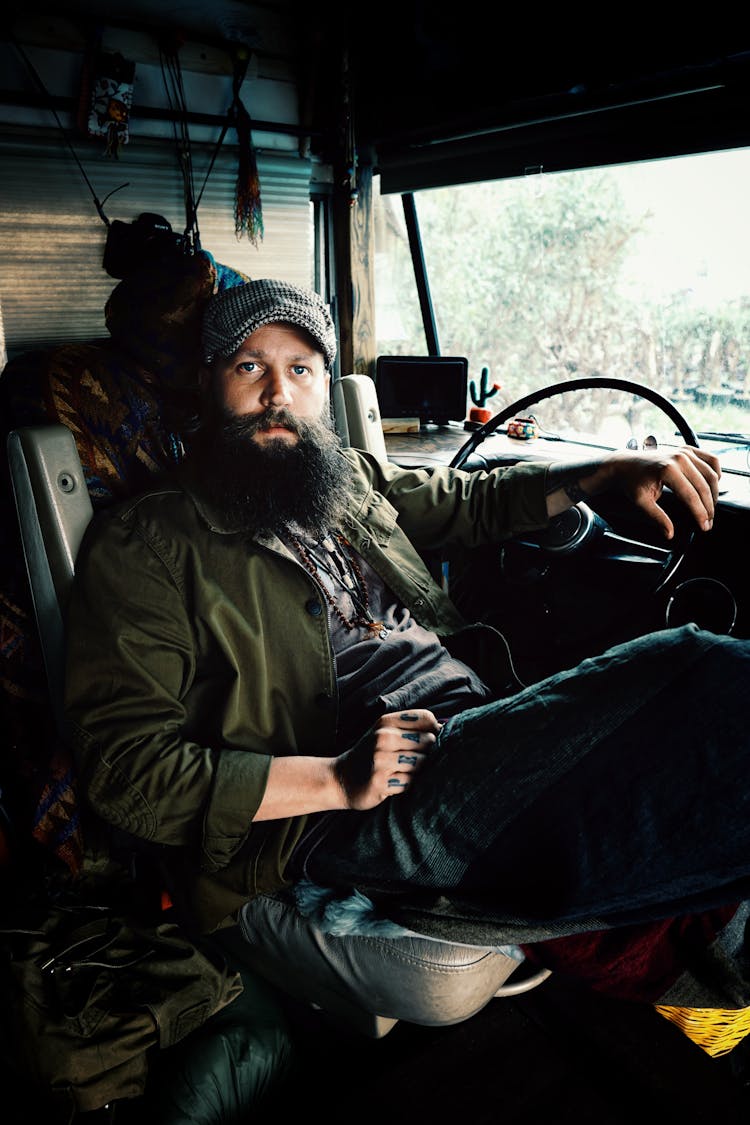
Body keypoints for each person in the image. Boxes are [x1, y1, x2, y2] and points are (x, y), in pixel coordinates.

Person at [64, 278, 750, 965]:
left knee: (671, 766)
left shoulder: (343, 479)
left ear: (322, 384)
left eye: (299, 369)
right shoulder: (148, 544)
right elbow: (126, 773)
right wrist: (337, 777)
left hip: (473, 721)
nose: (278, 394)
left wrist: (606, 468)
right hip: (352, 803)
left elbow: (472, 502)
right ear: (210, 382)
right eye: (250, 366)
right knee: (697, 667)